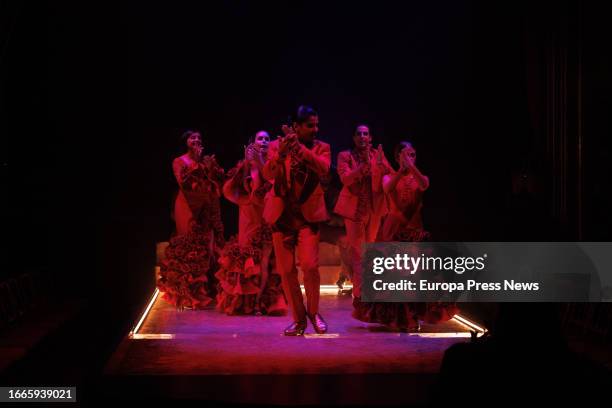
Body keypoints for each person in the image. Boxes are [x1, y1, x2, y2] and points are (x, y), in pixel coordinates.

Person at [352, 141, 457, 330]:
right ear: (398, 156)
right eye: (406, 154)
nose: (410, 158)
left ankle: (412, 317)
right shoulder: (389, 177)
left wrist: (411, 166)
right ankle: (399, 319)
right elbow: (387, 188)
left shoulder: (420, 177)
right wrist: (401, 169)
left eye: (413, 154)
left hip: (414, 232)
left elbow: (424, 184)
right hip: (393, 232)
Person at [262, 106, 331, 335]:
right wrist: (281, 154)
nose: (315, 129)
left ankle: (313, 313)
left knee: (310, 266)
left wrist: (299, 148)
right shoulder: (276, 146)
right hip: (281, 218)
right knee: (286, 271)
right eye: (310, 125)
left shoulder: (322, 148)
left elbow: (323, 169)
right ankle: (299, 319)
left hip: (307, 218)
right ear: (296, 126)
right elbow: (268, 174)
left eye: (316, 125)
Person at [215, 131, 288, 316]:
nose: (263, 141)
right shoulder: (246, 166)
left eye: (266, 139)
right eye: (259, 138)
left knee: (264, 259)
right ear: (253, 143)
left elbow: (276, 184)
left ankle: (259, 301)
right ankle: (247, 301)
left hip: (267, 213)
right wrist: (245, 199)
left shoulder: (272, 164)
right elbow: (229, 190)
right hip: (248, 215)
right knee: (248, 255)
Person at [158, 130, 225, 310]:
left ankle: (204, 289)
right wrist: (196, 163)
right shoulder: (179, 161)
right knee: (190, 244)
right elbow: (183, 182)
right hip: (187, 205)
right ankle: (187, 293)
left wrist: (206, 165)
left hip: (205, 205)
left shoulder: (205, 161)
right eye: (192, 137)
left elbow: (214, 183)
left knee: (207, 245)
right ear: (186, 142)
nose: (196, 140)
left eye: (199, 138)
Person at [334, 124, 392, 297]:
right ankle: (360, 295)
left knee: (370, 251)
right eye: (358, 134)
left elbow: (390, 175)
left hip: (373, 209)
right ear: (354, 138)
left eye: (365, 134)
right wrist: (363, 165)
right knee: (359, 252)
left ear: (370, 138)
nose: (362, 137)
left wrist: (380, 164)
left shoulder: (377, 155)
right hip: (354, 209)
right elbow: (346, 179)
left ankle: (367, 290)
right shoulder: (345, 156)